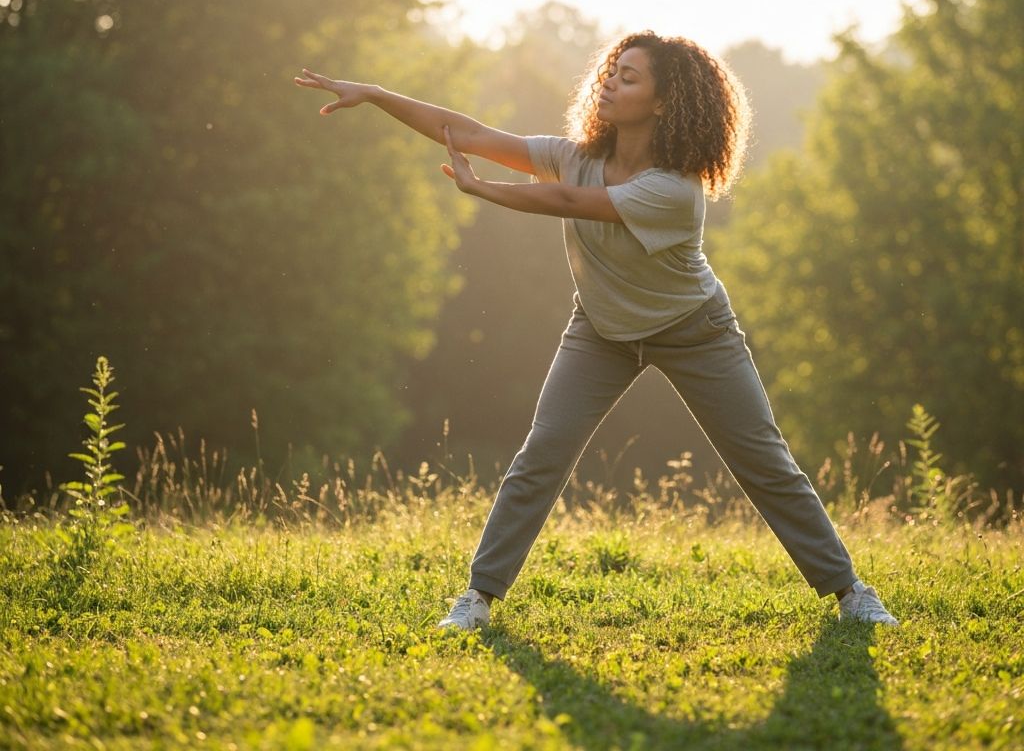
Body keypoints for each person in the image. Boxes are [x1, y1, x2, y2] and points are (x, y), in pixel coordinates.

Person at [293, 31, 898, 629]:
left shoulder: (676, 190)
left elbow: (574, 205)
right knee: (542, 454)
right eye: (612, 70)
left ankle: (851, 592)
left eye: (629, 77)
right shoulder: (574, 156)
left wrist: (486, 188)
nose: (610, 81)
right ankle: (478, 597)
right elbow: (470, 133)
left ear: (663, 103)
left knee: (763, 461)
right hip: (601, 329)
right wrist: (374, 94)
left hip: (696, 330)